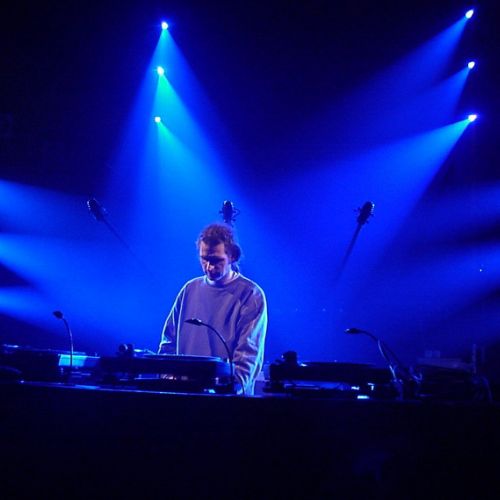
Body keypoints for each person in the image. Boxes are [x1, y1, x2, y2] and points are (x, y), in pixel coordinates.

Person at [159, 222, 267, 395]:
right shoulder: (189, 289)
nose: (209, 267)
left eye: (217, 260)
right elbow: (168, 344)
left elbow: (248, 357)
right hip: (184, 398)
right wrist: (169, 380)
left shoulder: (251, 295)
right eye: (204, 259)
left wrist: (225, 391)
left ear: (232, 256)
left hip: (227, 402)